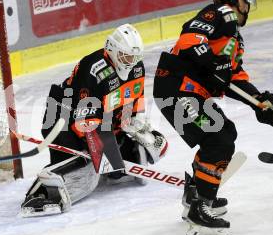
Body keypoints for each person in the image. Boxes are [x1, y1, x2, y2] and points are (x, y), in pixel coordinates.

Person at [153, 0, 273, 235]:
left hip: (186, 92)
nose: (248, 5)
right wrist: (213, 64)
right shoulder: (221, 14)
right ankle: (199, 210)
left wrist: (259, 102)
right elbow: (190, 38)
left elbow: (234, 77)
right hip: (175, 88)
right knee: (218, 138)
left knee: (224, 135)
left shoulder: (235, 39)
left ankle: (196, 197)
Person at [20, 24, 168, 217]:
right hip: (63, 120)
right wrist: (100, 149)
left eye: (134, 57)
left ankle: (113, 168)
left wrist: (135, 122)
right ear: (112, 49)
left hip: (102, 120)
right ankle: (42, 193)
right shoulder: (94, 69)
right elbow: (84, 121)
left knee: (154, 144)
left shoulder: (136, 67)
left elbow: (136, 97)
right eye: (126, 56)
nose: (130, 62)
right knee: (83, 171)